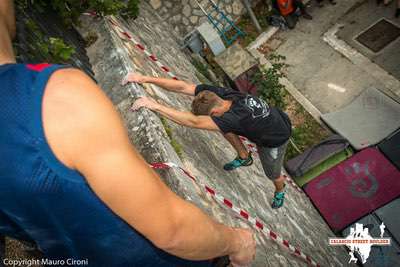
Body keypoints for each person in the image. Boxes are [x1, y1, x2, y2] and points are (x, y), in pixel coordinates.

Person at [0, 1, 256, 266]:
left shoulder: (229, 108)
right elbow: (173, 230)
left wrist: (152, 96)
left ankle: (249, 159)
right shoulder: (55, 97)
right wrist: (237, 240)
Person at [124, 74, 292, 209]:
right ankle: (244, 156)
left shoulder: (231, 119)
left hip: (276, 137)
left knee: (272, 173)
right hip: (272, 118)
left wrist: (155, 106)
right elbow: (183, 86)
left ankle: (280, 190)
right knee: (222, 125)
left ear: (215, 111)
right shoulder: (221, 95)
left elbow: (193, 122)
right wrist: (145, 78)